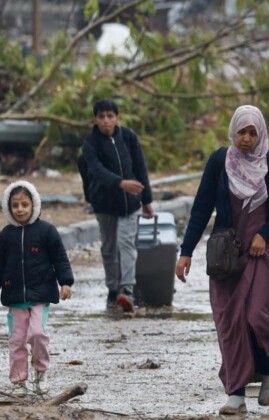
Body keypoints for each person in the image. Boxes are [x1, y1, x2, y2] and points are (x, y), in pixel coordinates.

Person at [175, 105, 269, 415]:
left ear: (261, 133)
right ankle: (236, 393)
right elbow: (202, 207)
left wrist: (265, 234)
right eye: (241, 132)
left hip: (263, 251)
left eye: (252, 132)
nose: (246, 138)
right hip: (227, 254)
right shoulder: (220, 161)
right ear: (233, 132)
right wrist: (186, 251)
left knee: (256, 315)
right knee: (230, 322)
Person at [0, 181, 74, 397]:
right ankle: (19, 381)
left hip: (40, 296)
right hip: (15, 297)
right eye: (15, 205)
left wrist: (66, 282)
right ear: (8, 207)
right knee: (16, 340)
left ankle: (41, 372)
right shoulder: (5, 235)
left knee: (38, 334)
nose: (20, 209)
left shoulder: (46, 231)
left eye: (24, 204)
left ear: (34, 205)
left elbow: (60, 258)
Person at [81, 99, 154, 312]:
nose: (106, 121)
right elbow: (97, 171)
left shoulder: (129, 138)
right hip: (104, 205)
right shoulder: (90, 144)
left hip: (130, 204)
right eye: (101, 116)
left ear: (117, 117)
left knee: (127, 243)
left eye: (110, 116)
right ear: (95, 119)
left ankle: (127, 289)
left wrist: (147, 200)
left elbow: (140, 168)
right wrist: (120, 183)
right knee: (109, 248)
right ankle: (113, 289)